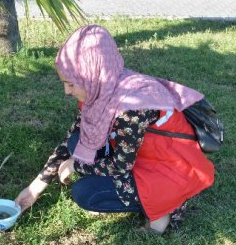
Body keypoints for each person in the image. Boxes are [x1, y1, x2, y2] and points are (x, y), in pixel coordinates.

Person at [15, 25, 215, 234]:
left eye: (71, 84)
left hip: (170, 170)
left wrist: (76, 167)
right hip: (142, 156)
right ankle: (131, 195)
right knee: (76, 142)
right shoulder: (103, 86)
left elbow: (120, 167)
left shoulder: (133, 106)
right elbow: (71, 139)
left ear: (91, 75)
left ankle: (165, 210)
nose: (67, 91)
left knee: (85, 192)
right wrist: (34, 189)